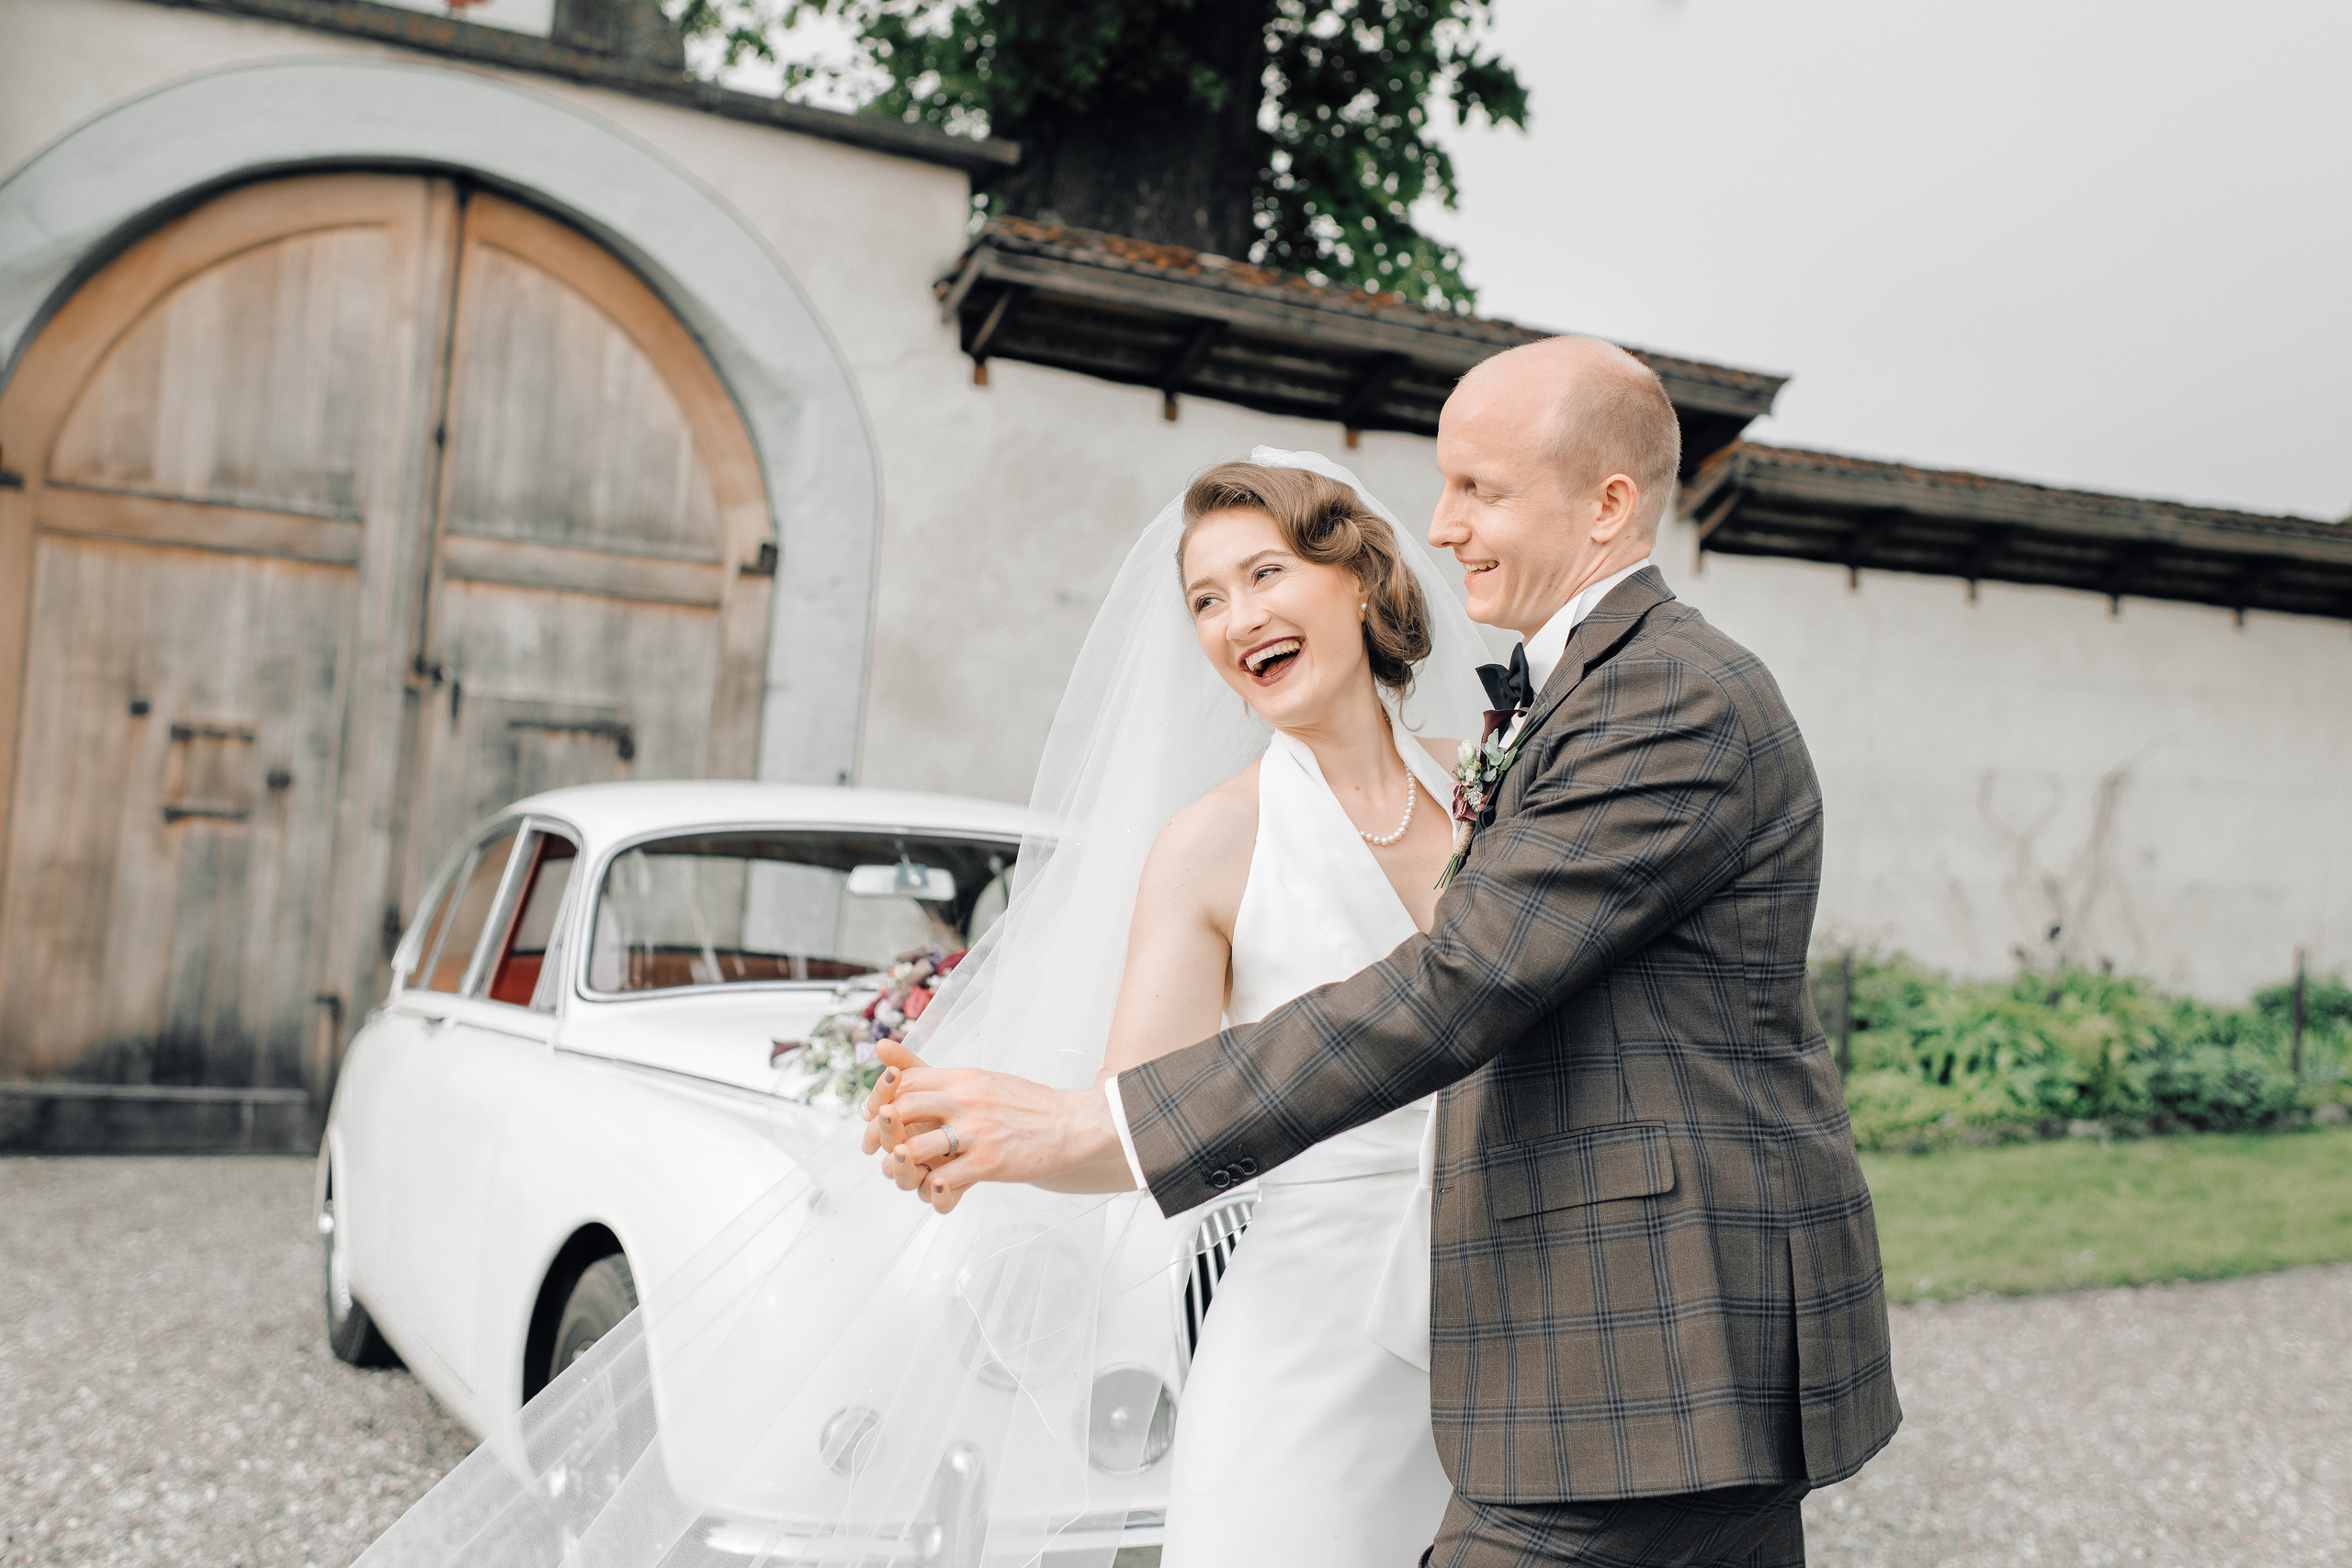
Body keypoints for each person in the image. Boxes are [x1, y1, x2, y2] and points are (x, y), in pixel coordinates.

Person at [865, 337, 1902, 1567]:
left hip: (1577, 1328)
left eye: (1481, 490)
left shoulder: (1612, 717)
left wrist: (1092, 1128)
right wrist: (1058, 1136)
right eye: (1206, 597)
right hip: (1359, 1335)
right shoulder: (1228, 838)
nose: (1443, 522)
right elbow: (1150, 1104)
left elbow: (1463, 983)